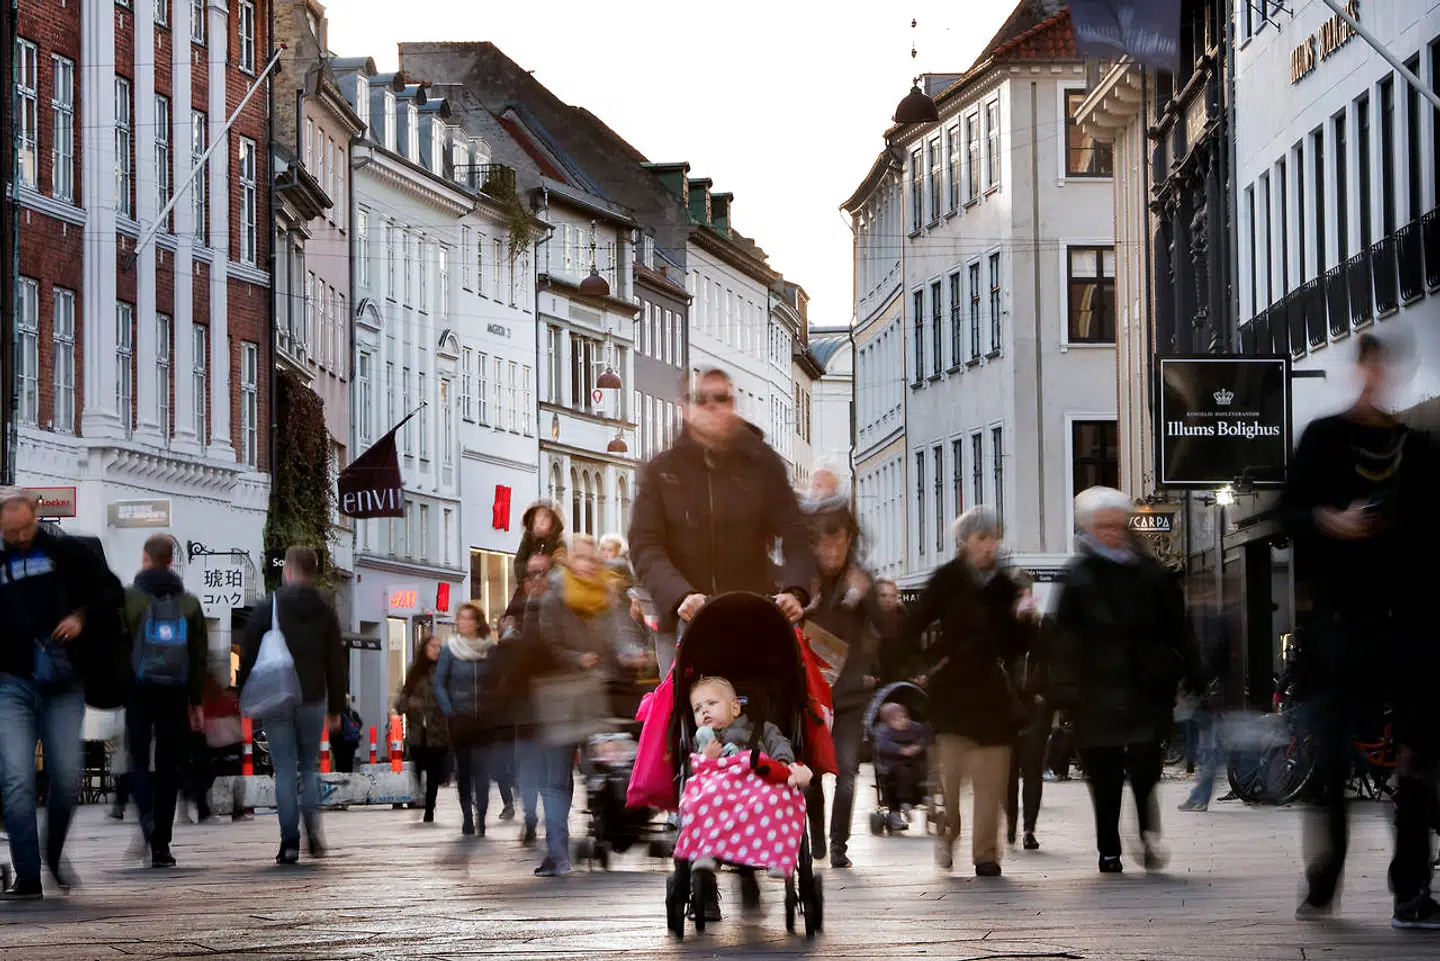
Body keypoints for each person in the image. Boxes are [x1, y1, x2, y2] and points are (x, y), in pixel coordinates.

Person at [1280, 332, 1440, 927]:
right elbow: (1290, 511)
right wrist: (1329, 519)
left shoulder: (1417, 448)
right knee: (1327, 762)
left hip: (1407, 627)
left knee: (1417, 758)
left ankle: (1411, 890)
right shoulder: (1324, 440)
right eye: (1372, 368)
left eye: (1389, 369)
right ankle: (1325, 879)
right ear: (1359, 370)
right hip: (1339, 627)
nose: (1380, 379)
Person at [630, 367, 817, 686]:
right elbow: (645, 545)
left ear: (733, 405)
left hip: (749, 617)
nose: (711, 406)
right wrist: (680, 596)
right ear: (684, 409)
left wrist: (795, 589)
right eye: (700, 399)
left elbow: (796, 531)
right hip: (684, 618)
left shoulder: (761, 464)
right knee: (683, 716)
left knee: (760, 710)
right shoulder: (662, 471)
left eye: (721, 398)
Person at [1049, 487, 1197, 876]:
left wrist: (1190, 669)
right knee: (1105, 775)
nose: (1112, 532)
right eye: (1103, 526)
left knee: (1147, 769)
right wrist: (1064, 687)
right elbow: (1061, 638)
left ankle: (1148, 833)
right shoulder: (1077, 577)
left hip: (1143, 688)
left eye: (1117, 524)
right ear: (1090, 529)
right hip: (1095, 692)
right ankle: (1109, 847)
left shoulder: (1149, 573)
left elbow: (1176, 626)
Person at [0, 488, 123, 900]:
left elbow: (110, 592)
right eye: (11, 532)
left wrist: (80, 617)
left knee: (67, 777)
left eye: (25, 529)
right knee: (16, 779)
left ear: (36, 518)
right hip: (11, 681)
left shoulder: (67, 552)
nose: (19, 538)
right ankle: (28, 873)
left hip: (63, 678)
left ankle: (52, 851)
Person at [902, 506, 1033, 878]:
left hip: (992, 696)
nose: (989, 546)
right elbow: (914, 624)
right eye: (982, 538)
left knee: (992, 782)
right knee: (952, 778)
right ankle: (948, 835)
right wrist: (914, 668)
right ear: (964, 541)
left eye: (994, 538)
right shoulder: (947, 579)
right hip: (953, 694)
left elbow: (1015, 647)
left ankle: (986, 855)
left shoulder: (1007, 586)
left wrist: (1024, 622)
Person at [531, 535, 636, 877]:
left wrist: (628, 653)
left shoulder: (607, 594)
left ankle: (606, 831)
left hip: (597, 692)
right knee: (557, 778)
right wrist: (578, 658)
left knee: (603, 768)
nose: (589, 564)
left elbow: (620, 634)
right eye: (582, 558)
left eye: (593, 559)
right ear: (570, 561)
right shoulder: (555, 595)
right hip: (560, 695)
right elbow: (546, 643)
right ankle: (557, 852)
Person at [237, 546, 346, 865]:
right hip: (313, 697)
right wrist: (337, 707)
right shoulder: (326, 609)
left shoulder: (269, 606)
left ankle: (289, 842)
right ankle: (314, 831)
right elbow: (335, 662)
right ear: (312, 571)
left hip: (278, 696)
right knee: (309, 767)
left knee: (284, 769)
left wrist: (243, 695)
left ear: (287, 569)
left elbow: (249, 654)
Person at [799, 495, 885, 868]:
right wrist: (804, 603)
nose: (832, 551)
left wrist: (870, 596)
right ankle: (817, 839)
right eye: (825, 543)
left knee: (847, 772)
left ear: (849, 541)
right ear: (814, 544)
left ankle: (839, 847)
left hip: (848, 696)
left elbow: (886, 628)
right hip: (811, 695)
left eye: (840, 543)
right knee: (813, 776)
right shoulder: (803, 581)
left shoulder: (859, 580)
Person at [687, 676, 812, 914]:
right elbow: (698, 768)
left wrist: (782, 765)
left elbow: (780, 746)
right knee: (703, 799)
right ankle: (708, 852)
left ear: (735, 707)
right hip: (723, 794)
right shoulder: (704, 739)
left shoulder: (763, 729)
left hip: (759, 789)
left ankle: (777, 854)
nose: (704, 711)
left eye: (711, 704)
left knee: (777, 797)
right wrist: (707, 758)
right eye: (697, 708)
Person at [121, 534, 208, 868]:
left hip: (139, 690)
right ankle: (162, 844)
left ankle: (146, 819)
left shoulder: (129, 599)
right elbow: (199, 656)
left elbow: (117, 647)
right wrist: (196, 702)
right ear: (171, 561)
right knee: (169, 765)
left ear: (145, 559)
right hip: (176, 692)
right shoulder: (189, 604)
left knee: (139, 760)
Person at [496, 552, 556, 850]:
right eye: (531, 574)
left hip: (554, 699)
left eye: (542, 573)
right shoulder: (515, 612)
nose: (536, 580)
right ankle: (531, 816)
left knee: (554, 766)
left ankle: (556, 820)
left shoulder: (559, 610)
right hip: (524, 702)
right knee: (528, 763)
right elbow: (504, 656)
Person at [434, 604, 501, 836]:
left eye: (468, 619)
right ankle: (467, 818)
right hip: (459, 717)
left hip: (484, 718)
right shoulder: (449, 650)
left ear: (477, 622)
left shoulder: (489, 650)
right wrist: (449, 710)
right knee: (464, 771)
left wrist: (494, 704)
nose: (463, 622)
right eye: (460, 618)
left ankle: (481, 815)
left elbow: (497, 680)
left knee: (482, 771)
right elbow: (439, 683)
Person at [1004, 575, 1053, 851]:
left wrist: (1046, 696)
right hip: (1007, 710)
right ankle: (1010, 824)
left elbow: (1051, 658)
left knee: (1032, 771)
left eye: (1026, 594)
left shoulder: (1042, 625)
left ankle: (1029, 829)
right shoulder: (1002, 628)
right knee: (1008, 773)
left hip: (1035, 707)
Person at [396, 633, 450, 823]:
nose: (436, 650)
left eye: (439, 646)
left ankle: (429, 808)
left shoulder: (444, 671)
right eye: (433, 646)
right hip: (418, 731)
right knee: (418, 764)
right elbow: (401, 699)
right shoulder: (415, 672)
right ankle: (419, 792)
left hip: (438, 730)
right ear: (425, 649)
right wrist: (410, 704)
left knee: (435, 772)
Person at [873, 702, 931, 825]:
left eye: (904, 716)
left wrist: (918, 746)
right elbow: (883, 745)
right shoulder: (883, 731)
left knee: (923, 771)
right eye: (896, 719)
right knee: (900, 775)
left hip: (914, 763)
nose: (902, 721)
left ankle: (925, 797)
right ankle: (899, 809)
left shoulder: (915, 727)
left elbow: (925, 736)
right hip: (892, 765)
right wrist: (901, 750)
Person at [513, 501, 567, 598]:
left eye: (546, 516)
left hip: (550, 596)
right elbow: (518, 563)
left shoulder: (559, 544)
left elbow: (560, 571)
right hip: (526, 592)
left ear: (554, 522)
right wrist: (528, 568)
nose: (541, 520)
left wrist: (546, 568)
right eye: (538, 516)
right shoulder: (528, 540)